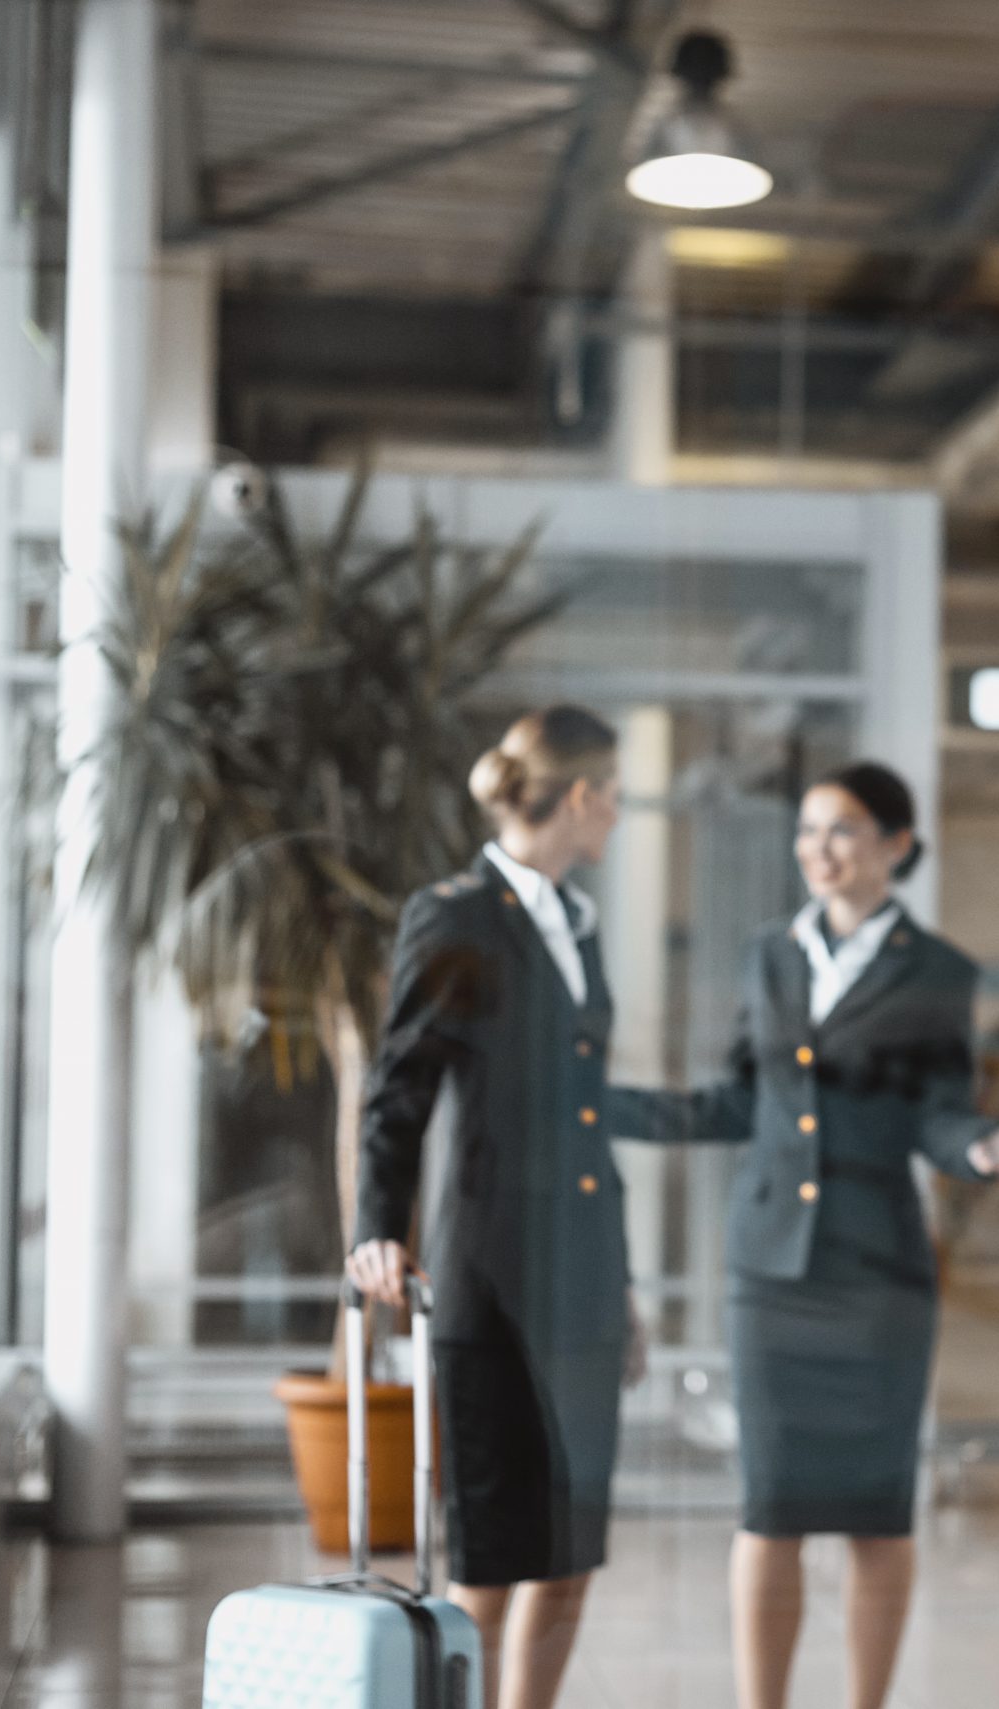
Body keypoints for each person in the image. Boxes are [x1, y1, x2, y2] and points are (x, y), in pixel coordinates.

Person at [624, 763, 999, 1709]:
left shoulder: (937, 971)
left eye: (845, 830)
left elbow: (936, 1112)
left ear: (897, 844)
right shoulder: (769, 954)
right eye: (809, 831)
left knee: (874, 1514)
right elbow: (742, 1096)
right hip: (770, 1270)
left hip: (877, 1275)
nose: (820, 849)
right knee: (769, 1509)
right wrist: (608, 1108)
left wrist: (982, 1143)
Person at [347, 705, 645, 1709]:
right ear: (580, 795)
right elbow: (400, 1086)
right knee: (490, 1554)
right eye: (614, 795)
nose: (618, 815)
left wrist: (625, 1284)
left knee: (569, 1555)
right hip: (494, 1281)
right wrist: (376, 1226)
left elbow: (587, 1115)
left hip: (585, 1281)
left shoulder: (577, 922)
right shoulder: (458, 913)